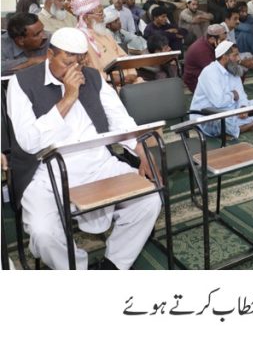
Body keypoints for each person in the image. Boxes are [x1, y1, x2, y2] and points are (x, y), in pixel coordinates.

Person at [5, 28, 161, 269]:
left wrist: (141, 153)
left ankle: (113, 264)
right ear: (50, 55)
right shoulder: (21, 83)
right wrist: (68, 98)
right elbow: (28, 142)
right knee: (43, 232)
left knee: (150, 199)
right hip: (46, 171)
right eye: (68, 61)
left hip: (98, 162)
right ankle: (77, 270)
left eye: (80, 61)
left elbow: (121, 121)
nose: (75, 69)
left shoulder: (94, 77)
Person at [189, 41, 253, 139]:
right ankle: (239, 129)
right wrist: (233, 95)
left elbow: (241, 94)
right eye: (235, 55)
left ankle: (231, 129)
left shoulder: (234, 70)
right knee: (222, 120)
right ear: (225, 57)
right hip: (208, 114)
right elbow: (218, 102)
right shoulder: (210, 72)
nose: (238, 59)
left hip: (230, 111)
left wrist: (243, 107)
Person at [182, 24, 226, 92]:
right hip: (196, 82)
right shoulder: (201, 50)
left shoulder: (209, 43)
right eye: (222, 40)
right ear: (212, 39)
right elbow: (214, 72)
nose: (224, 42)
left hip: (205, 77)